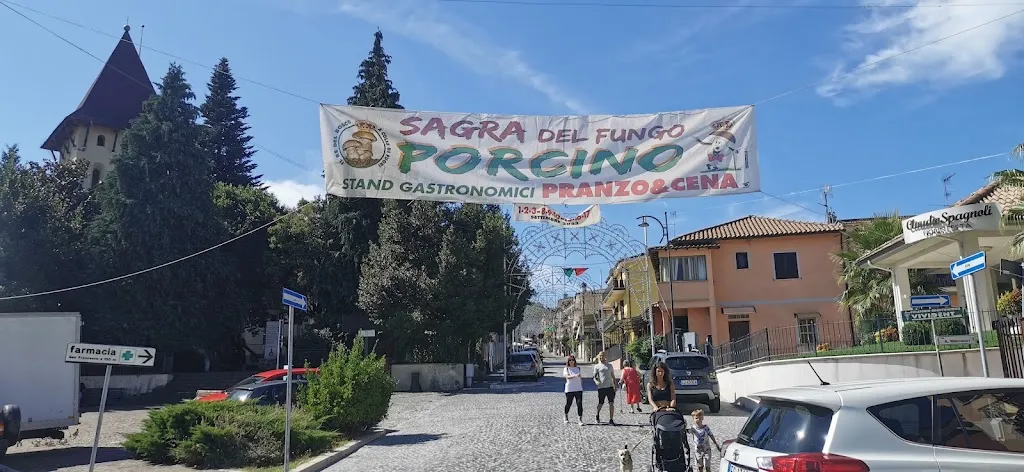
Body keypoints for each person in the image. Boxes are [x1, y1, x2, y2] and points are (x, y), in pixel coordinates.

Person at [592, 351, 618, 425]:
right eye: (600, 356)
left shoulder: (609, 365)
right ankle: (597, 415)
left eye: (602, 356)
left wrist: (615, 386)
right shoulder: (597, 366)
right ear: (598, 357)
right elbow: (594, 377)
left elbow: (613, 376)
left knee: (611, 403)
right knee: (601, 403)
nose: (601, 357)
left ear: (605, 356)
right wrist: (596, 382)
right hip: (601, 387)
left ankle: (611, 419)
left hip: (609, 386)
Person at [563, 356, 584, 425]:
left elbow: (580, 378)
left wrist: (580, 382)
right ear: (568, 361)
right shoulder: (566, 369)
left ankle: (580, 419)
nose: (572, 361)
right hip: (570, 389)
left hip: (578, 389)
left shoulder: (578, 368)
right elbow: (567, 377)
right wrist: (575, 375)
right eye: (570, 360)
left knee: (579, 404)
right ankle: (566, 415)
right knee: (569, 403)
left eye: (573, 360)